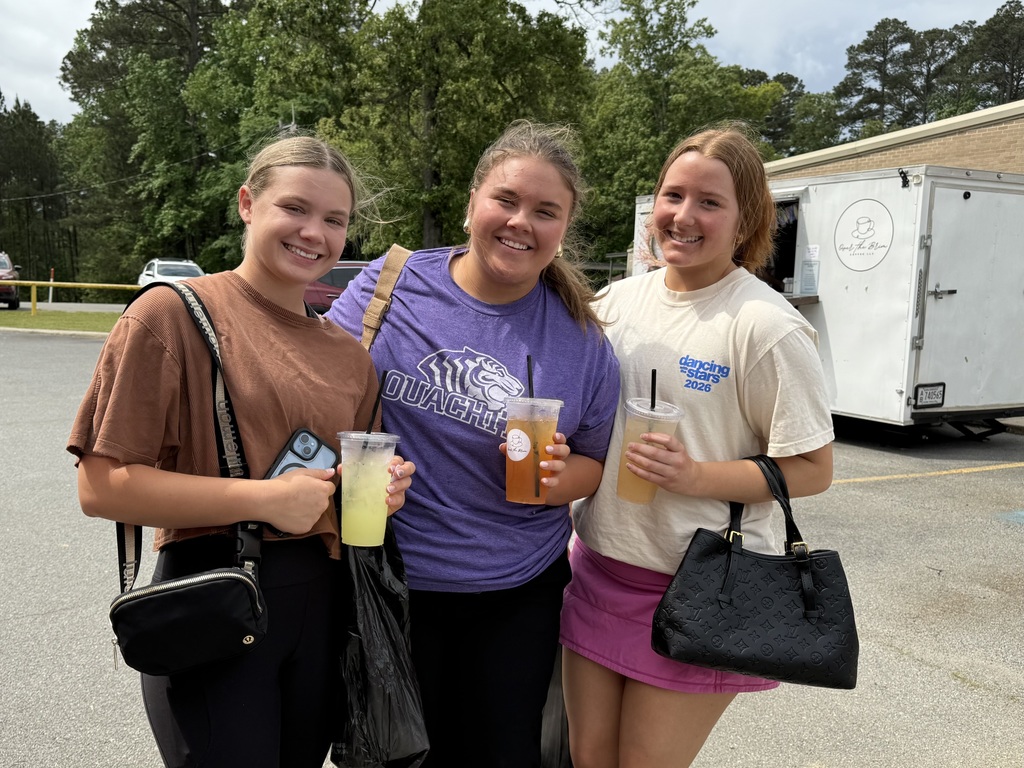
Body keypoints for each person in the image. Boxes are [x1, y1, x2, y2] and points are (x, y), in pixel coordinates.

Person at [67, 134, 416, 768]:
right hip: (216, 592)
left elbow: (339, 490)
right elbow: (101, 486)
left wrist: (382, 490)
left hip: (323, 596)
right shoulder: (173, 315)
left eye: (335, 220)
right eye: (295, 208)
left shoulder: (347, 356)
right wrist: (264, 500)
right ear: (247, 204)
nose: (315, 232)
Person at [325, 119, 621, 768]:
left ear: (563, 229)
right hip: (389, 577)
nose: (521, 222)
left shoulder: (582, 341)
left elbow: (595, 466)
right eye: (506, 200)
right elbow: (316, 385)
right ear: (471, 204)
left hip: (514, 596)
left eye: (546, 211)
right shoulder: (392, 283)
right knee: (391, 756)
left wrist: (556, 477)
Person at [559, 122, 835, 768]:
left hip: (700, 589)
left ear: (745, 223)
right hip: (598, 567)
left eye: (710, 202)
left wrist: (696, 476)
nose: (684, 216)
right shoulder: (614, 303)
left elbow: (814, 468)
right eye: (672, 195)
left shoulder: (763, 325)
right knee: (586, 758)